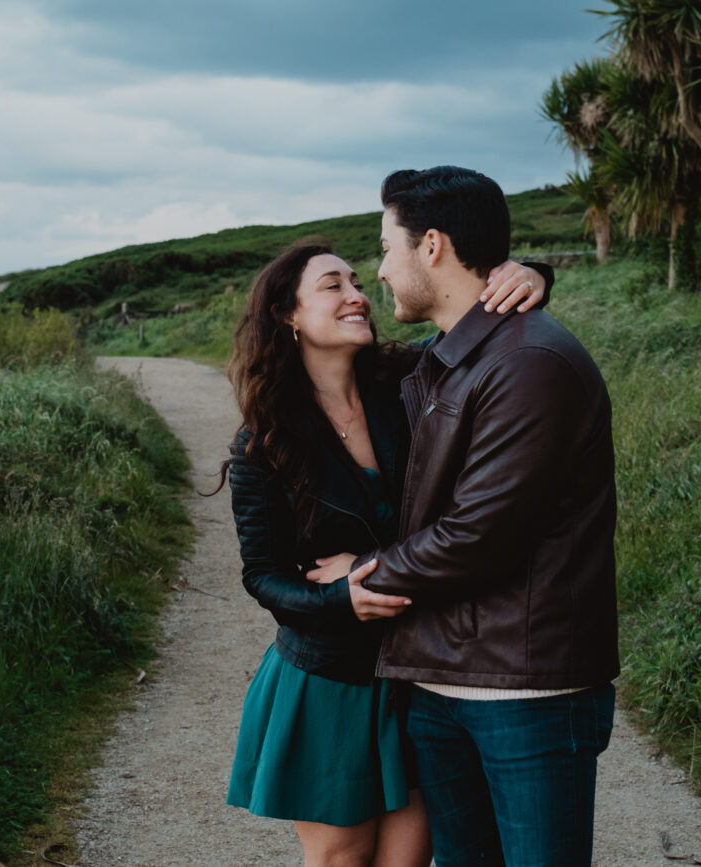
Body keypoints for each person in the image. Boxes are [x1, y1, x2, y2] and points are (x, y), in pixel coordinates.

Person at [312, 166, 619, 867]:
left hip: (525, 688)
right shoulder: (445, 360)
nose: (380, 272)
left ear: (433, 246)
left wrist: (364, 573)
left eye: (387, 247)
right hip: (442, 679)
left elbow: (478, 537)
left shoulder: (532, 363)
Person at [222, 238, 553, 867]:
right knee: (343, 859)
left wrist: (533, 273)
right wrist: (340, 598)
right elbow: (262, 577)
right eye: (332, 286)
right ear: (289, 316)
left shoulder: (406, 383)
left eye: (355, 281)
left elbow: (476, 329)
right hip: (329, 680)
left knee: (408, 858)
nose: (356, 296)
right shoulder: (264, 441)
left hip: (418, 673)